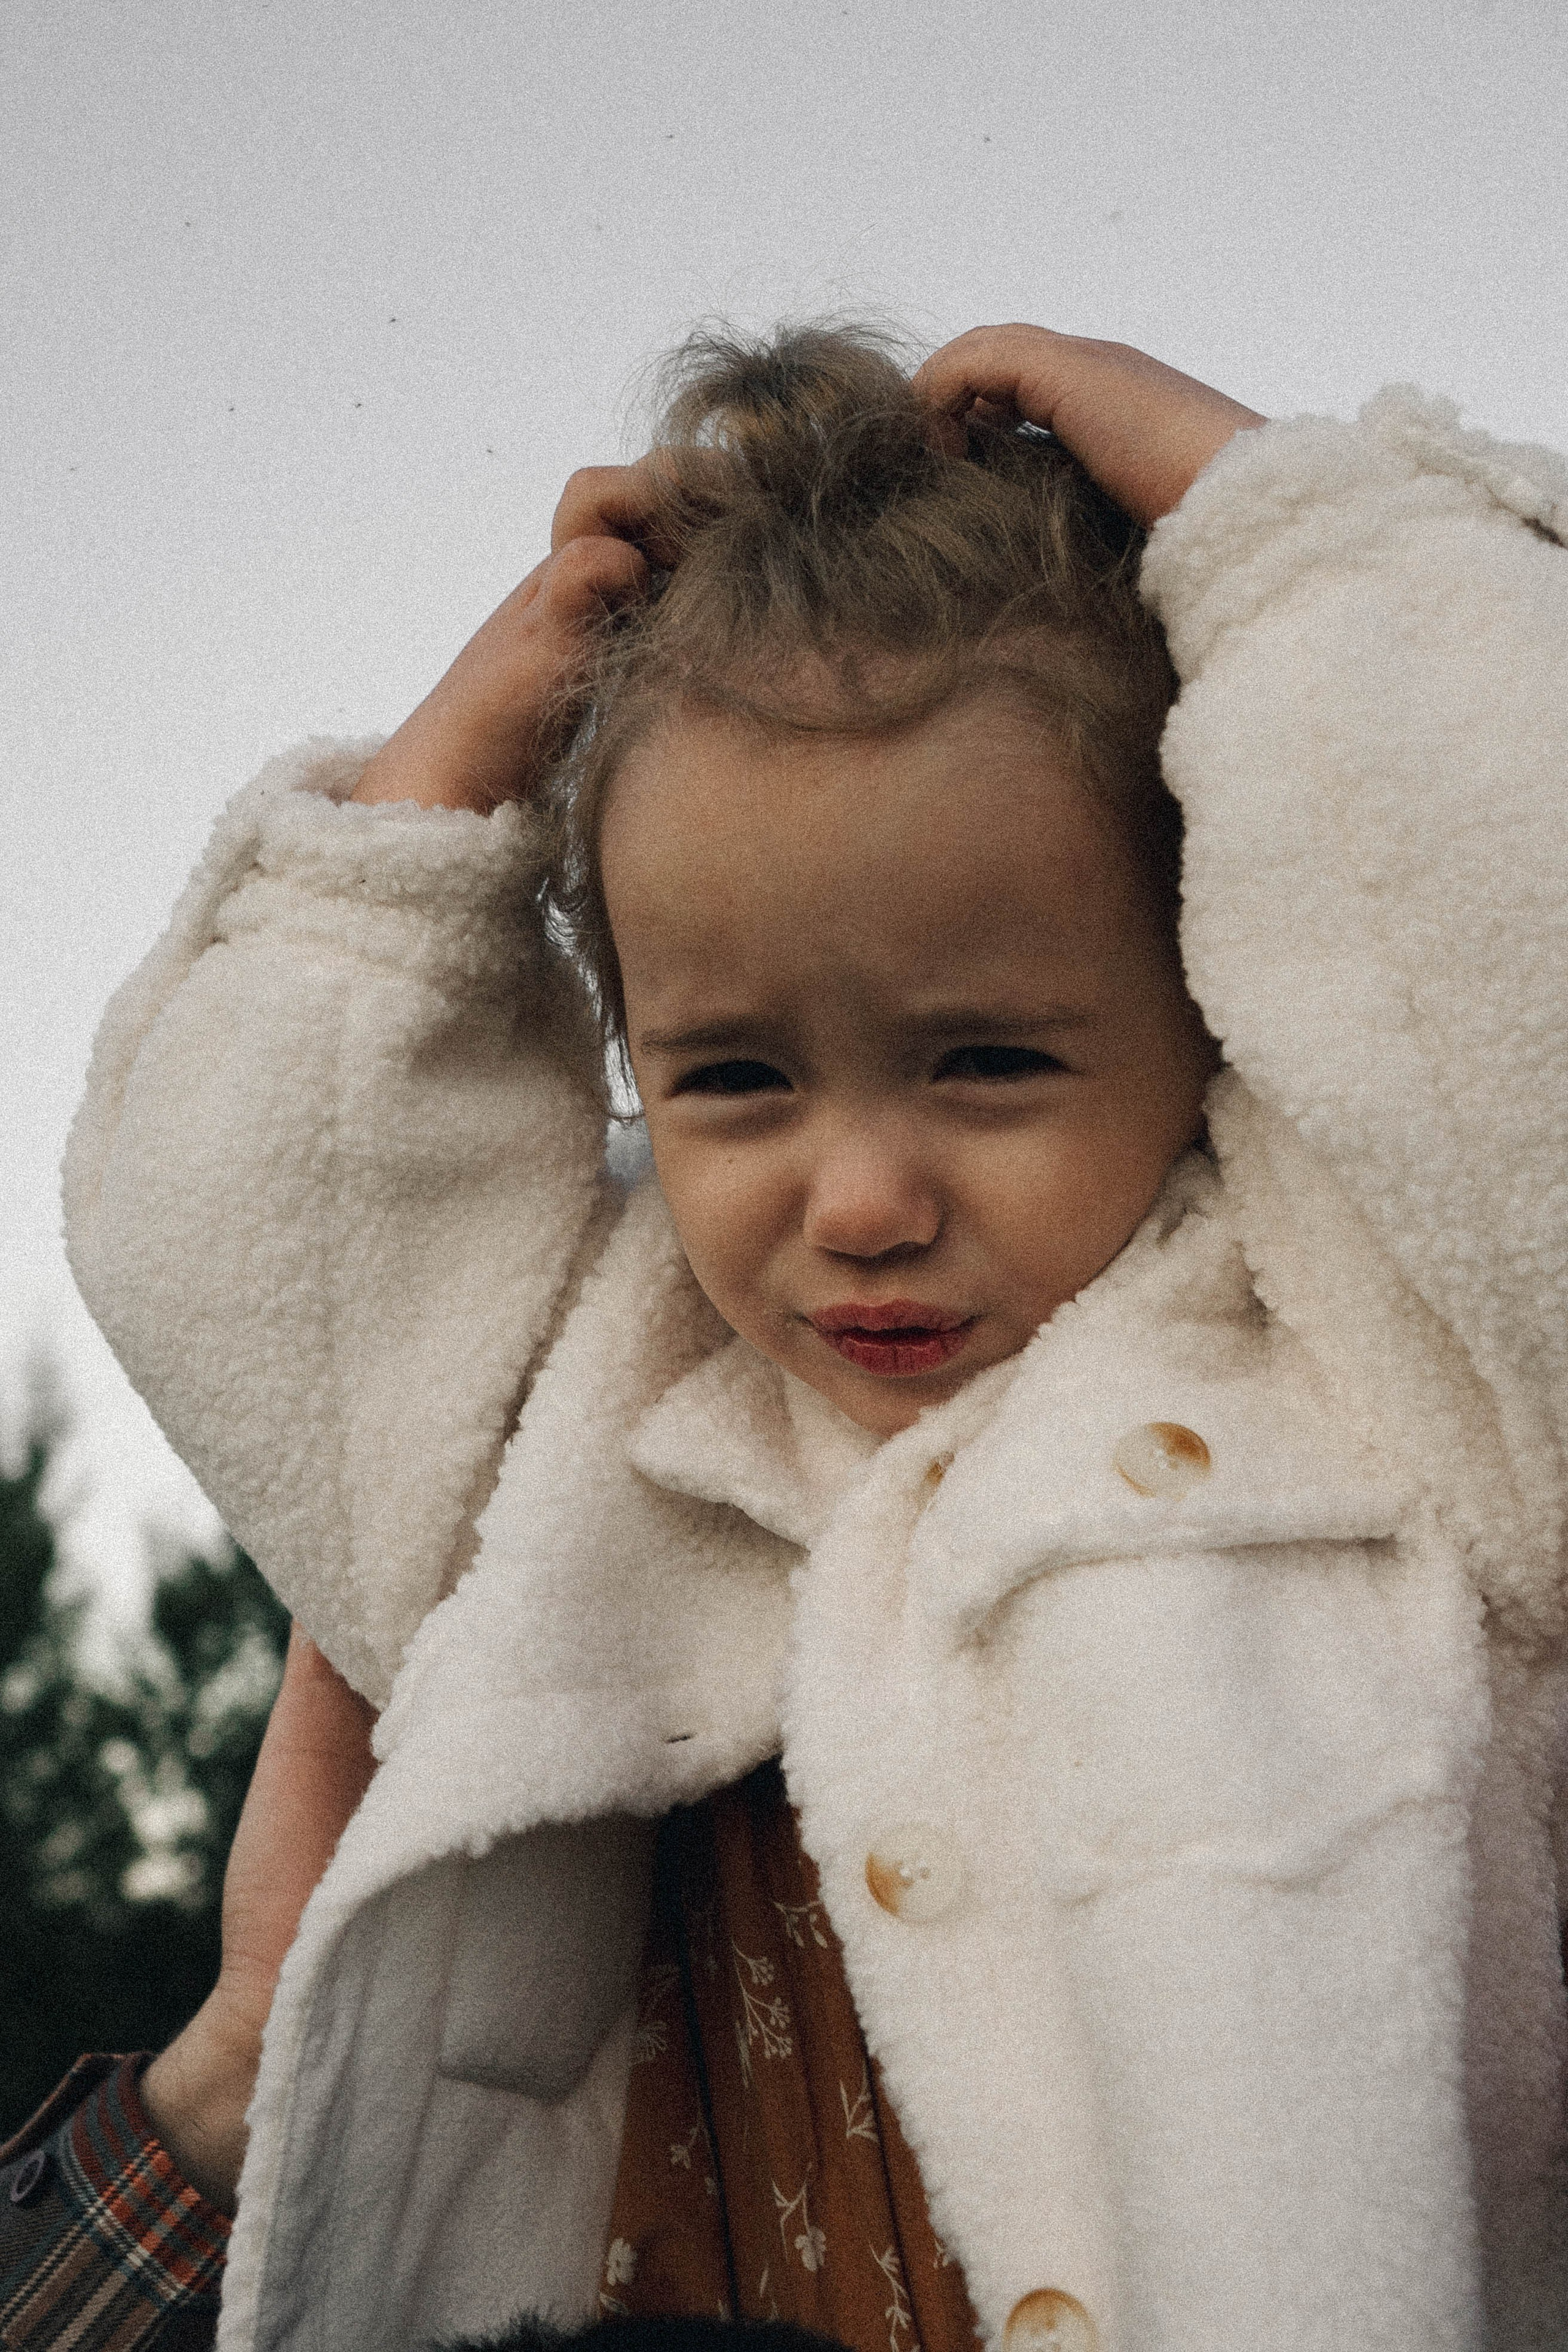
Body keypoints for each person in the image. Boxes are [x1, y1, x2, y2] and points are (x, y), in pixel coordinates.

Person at [4, 317, 1566, 2352]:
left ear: (1216, 1003)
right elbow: (243, 1221)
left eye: (989, 1059)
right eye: (734, 1077)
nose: (858, 1202)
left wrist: (1292, 526)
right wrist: (462, 756)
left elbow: (1507, 936)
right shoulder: (576, 1436)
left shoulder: (1406, 1383)